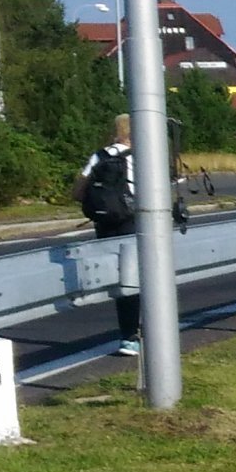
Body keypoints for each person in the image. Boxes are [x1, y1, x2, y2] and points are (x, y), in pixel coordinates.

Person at [71, 116, 187, 355]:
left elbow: (77, 192)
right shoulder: (146, 156)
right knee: (152, 277)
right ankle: (157, 334)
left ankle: (128, 337)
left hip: (105, 224)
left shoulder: (99, 156)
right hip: (136, 223)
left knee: (123, 280)